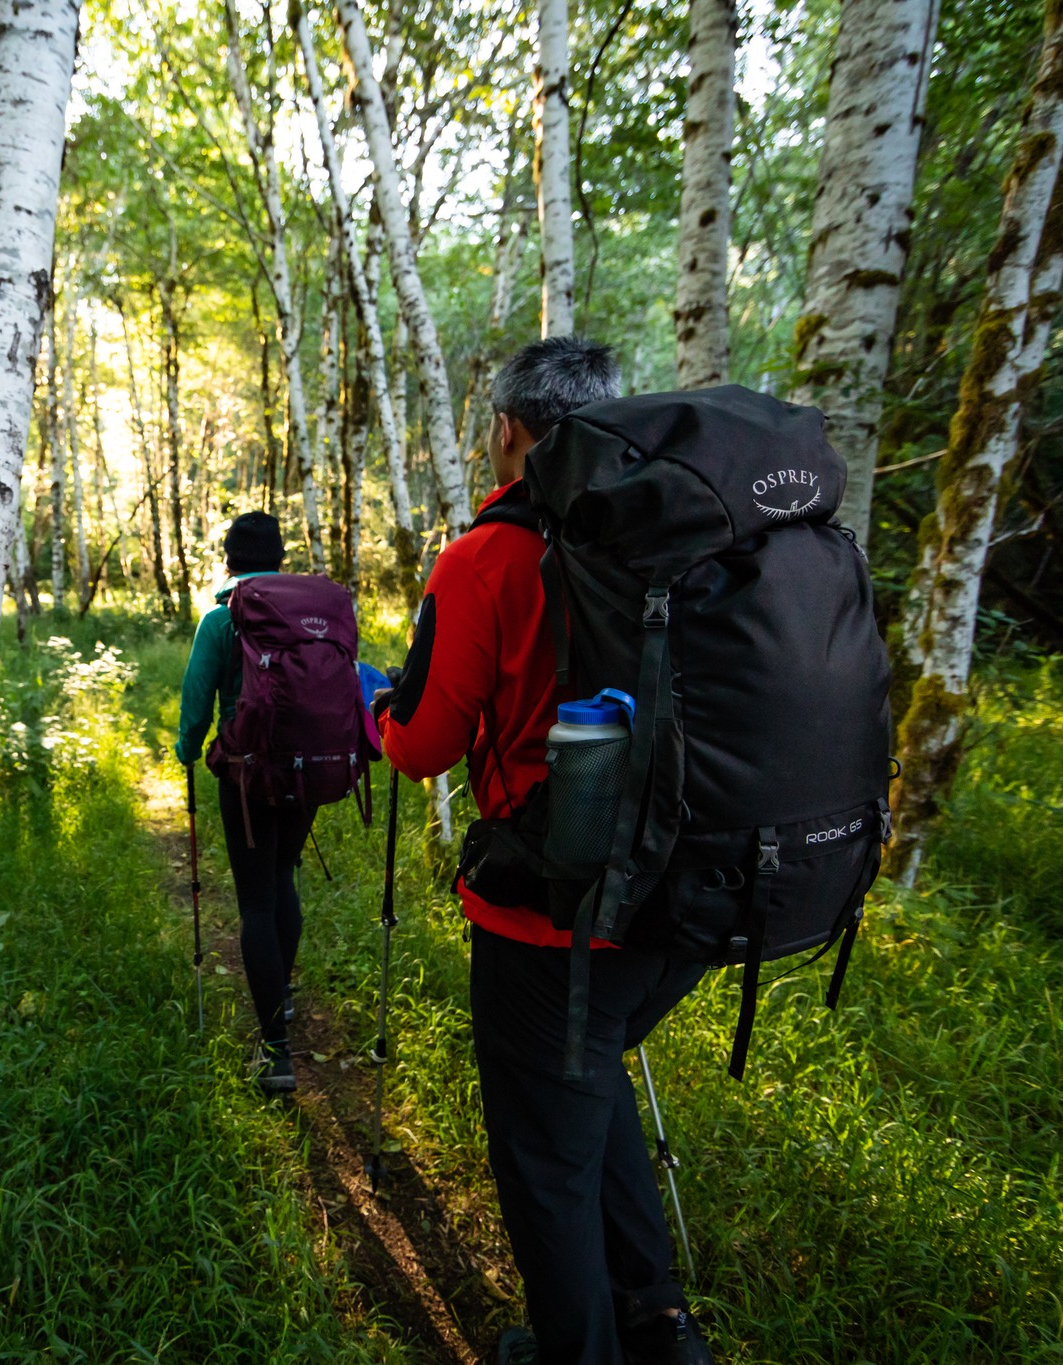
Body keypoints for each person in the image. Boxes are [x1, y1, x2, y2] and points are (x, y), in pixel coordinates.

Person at [375, 338, 715, 1365]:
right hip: (695, 894)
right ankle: (656, 1320)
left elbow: (424, 746)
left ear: (509, 430)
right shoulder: (686, 535)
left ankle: (579, 1351)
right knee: (592, 1077)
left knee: (541, 1159)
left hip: (552, 917)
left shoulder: (486, 557)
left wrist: (380, 718)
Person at [175, 512, 310, 1095]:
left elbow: (197, 700)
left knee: (255, 901)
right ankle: (281, 994)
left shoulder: (220, 618)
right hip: (307, 770)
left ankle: (277, 1053)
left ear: (228, 560)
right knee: (282, 877)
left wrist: (186, 748)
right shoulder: (305, 611)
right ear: (280, 557)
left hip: (246, 777)